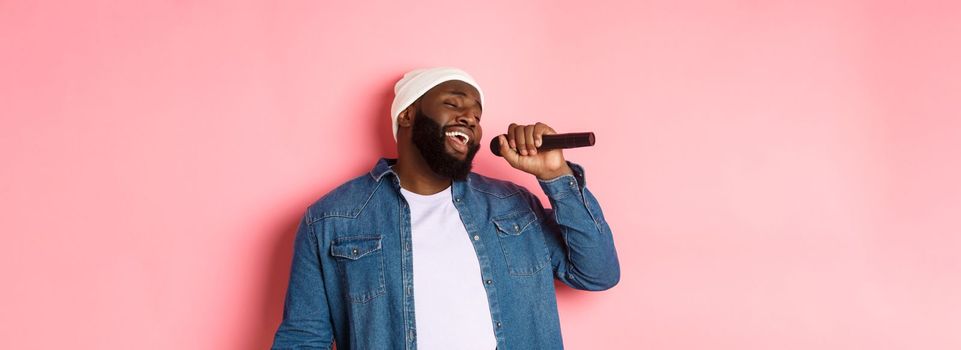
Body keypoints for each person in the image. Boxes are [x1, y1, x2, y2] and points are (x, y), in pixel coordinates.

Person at [271, 67, 620, 350]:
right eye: (454, 104)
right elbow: (303, 339)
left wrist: (555, 175)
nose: (470, 118)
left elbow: (597, 273)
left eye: (477, 114)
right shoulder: (331, 220)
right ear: (407, 115)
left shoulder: (512, 206)